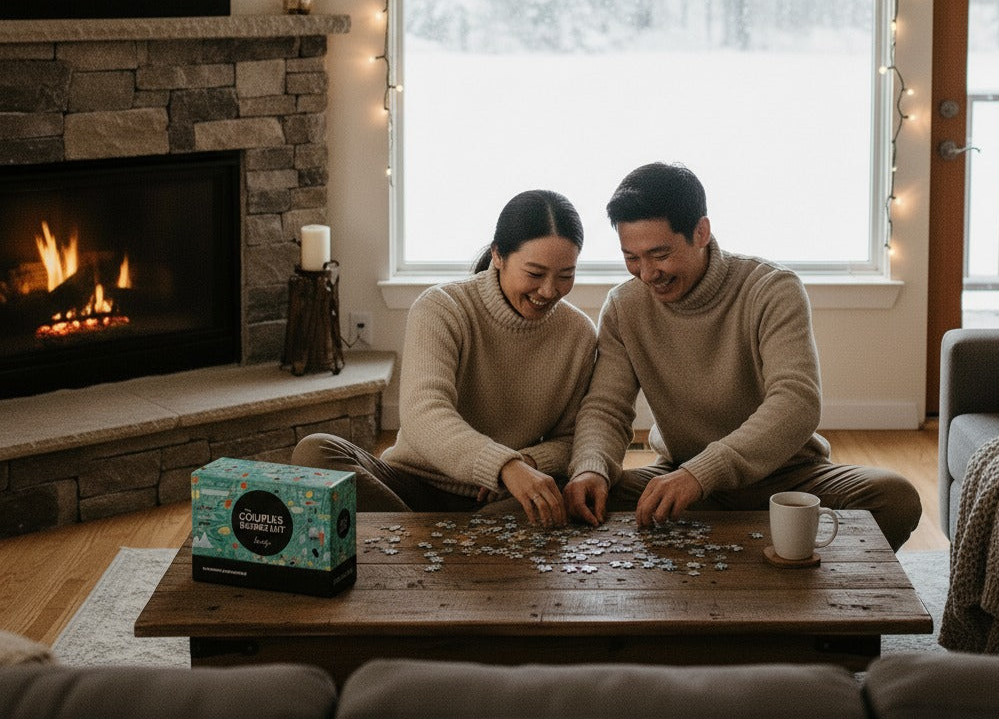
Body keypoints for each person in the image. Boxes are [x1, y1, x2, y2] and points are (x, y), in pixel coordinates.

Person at [563, 162, 921, 550]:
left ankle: (756, 547)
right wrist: (591, 468)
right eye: (631, 257)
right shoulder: (623, 307)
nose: (647, 273)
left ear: (701, 232)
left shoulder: (772, 289)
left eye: (659, 254)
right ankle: (758, 548)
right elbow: (606, 408)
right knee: (568, 496)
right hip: (679, 476)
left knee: (894, 497)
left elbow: (797, 402)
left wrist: (702, 473)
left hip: (785, 477)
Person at [292, 189, 597, 527]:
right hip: (412, 485)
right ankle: (446, 542)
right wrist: (503, 464)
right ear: (498, 255)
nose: (550, 290)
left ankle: (415, 540)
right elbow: (424, 414)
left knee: (550, 500)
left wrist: (527, 462)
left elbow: (573, 439)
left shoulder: (579, 334)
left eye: (565, 275)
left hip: (499, 497)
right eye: (535, 274)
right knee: (315, 452)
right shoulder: (441, 307)